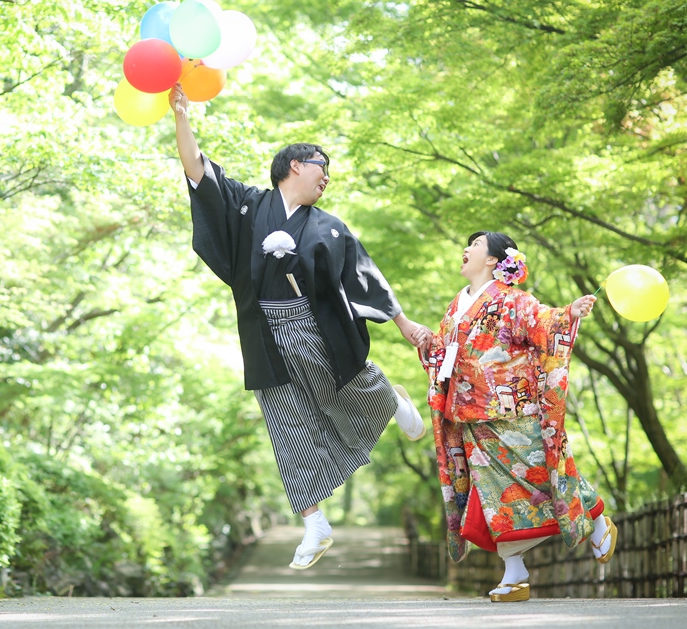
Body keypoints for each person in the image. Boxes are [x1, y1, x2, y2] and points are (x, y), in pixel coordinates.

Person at [169, 84, 431, 570]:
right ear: (295, 165)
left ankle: (390, 399)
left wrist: (402, 322)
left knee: (348, 388)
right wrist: (182, 117)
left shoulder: (329, 226)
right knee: (287, 428)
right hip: (264, 333)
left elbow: (364, 276)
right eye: (321, 166)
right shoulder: (249, 204)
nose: (327, 177)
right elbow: (197, 172)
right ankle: (315, 523)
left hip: (313, 327)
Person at [420, 231, 617, 602]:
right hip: (470, 415)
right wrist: (428, 342)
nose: (466, 250)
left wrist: (568, 313)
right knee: (493, 497)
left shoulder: (513, 300)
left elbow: (543, 322)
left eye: (475, 246)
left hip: (511, 409)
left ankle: (596, 522)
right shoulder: (455, 305)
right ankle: (515, 575)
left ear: (494, 260)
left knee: (542, 473)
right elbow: (447, 353)